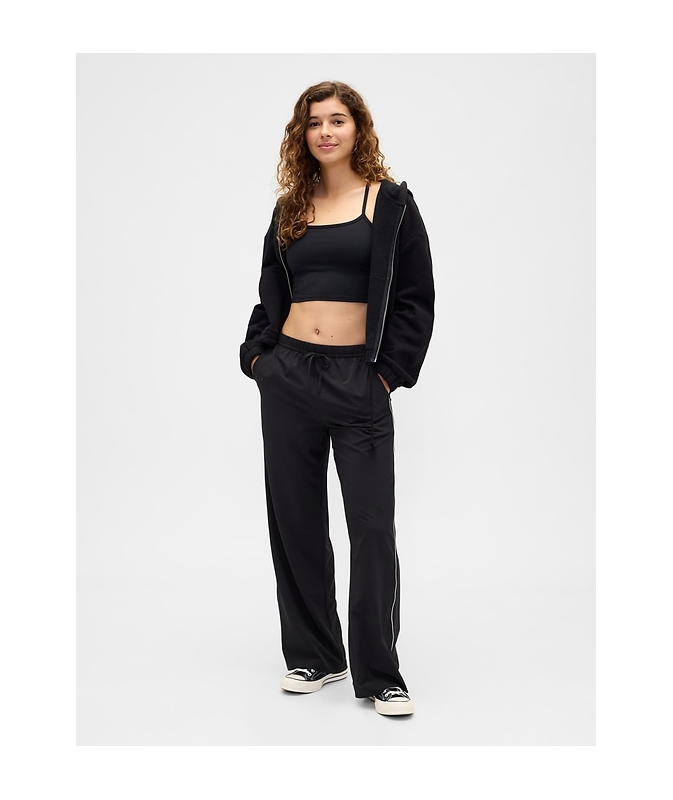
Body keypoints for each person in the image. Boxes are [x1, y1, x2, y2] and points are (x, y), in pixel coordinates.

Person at [239, 80, 435, 717]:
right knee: (295, 520)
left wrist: (388, 375)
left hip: (359, 380)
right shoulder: (290, 207)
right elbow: (270, 290)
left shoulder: (392, 203)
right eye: (314, 122)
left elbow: (416, 298)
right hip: (289, 376)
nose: (325, 131)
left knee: (371, 530)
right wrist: (259, 359)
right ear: (302, 135)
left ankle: (380, 673)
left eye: (337, 120)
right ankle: (317, 654)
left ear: (358, 128)